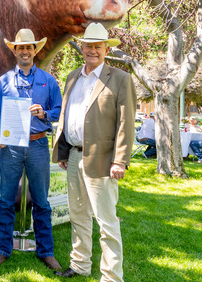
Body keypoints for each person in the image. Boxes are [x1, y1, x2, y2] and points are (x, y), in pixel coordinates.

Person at [52, 23, 137, 281]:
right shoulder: (72, 77)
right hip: (75, 156)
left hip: (103, 160)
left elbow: (126, 122)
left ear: (105, 49)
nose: (93, 50)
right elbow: (68, 116)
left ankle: (111, 276)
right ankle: (79, 264)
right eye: (89, 45)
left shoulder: (120, 79)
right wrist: (64, 152)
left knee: (106, 221)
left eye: (98, 46)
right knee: (77, 214)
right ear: (82, 48)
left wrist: (120, 161)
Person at [0, 29, 62, 270]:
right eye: (21, 48)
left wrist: (45, 114)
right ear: (15, 51)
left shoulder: (48, 81)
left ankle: (46, 251)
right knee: (6, 199)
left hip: (38, 144)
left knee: (41, 201)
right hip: (11, 146)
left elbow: (58, 111)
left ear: (35, 51)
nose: (25, 51)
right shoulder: (3, 82)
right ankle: (2, 249)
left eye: (29, 47)